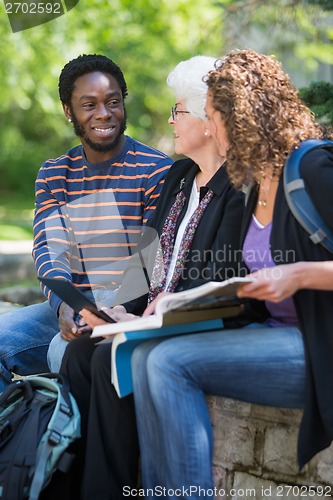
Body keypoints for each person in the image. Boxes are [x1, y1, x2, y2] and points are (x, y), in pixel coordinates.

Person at [131, 48, 333, 497]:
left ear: (240, 116)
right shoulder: (253, 184)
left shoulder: (313, 168)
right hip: (272, 334)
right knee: (145, 355)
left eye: (215, 115)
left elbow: (294, 274)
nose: (212, 127)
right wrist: (180, 304)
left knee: (168, 362)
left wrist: (300, 274)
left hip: (317, 344)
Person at [55, 55, 245, 500]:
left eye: (179, 110)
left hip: (198, 320)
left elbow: (221, 276)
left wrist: (157, 311)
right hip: (153, 317)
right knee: (81, 353)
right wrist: (123, 307)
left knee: (108, 360)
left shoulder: (239, 188)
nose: (171, 120)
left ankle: (113, 490)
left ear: (209, 120)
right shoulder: (179, 177)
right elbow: (145, 259)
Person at [0, 54, 172, 391]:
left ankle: (68, 438)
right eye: (89, 104)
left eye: (113, 102)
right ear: (69, 111)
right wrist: (65, 304)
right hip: (69, 307)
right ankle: (21, 435)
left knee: (64, 353)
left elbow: (150, 264)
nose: (104, 113)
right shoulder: (55, 174)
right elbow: (50, 251)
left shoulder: (155, 170)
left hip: (127, 311)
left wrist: (103, 312)